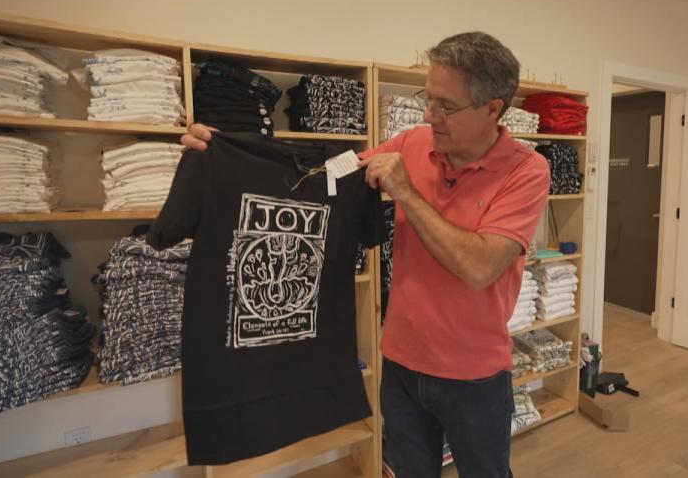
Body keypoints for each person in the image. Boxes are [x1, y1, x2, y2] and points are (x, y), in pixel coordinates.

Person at [181, 32, 550, 478]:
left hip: (472, 376)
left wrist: (407, 195)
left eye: (446, 106)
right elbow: (325, 174)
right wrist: (230, 149)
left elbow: (480, 267)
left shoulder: (527, 171)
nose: (430, 115)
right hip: (399, 364)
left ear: (493, 108)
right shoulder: (413, 142)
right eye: (427, 99)